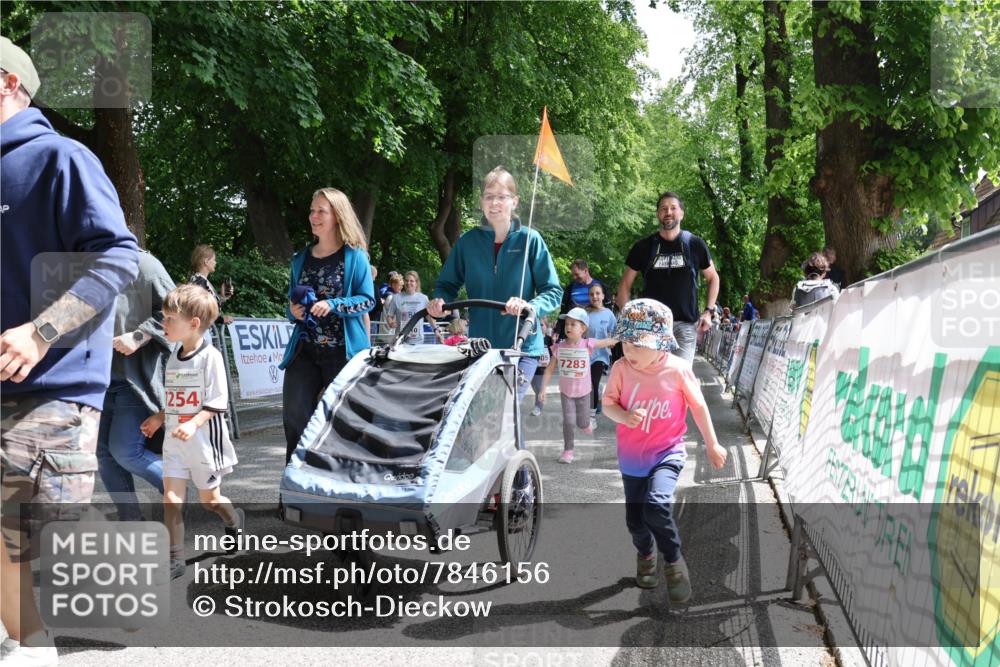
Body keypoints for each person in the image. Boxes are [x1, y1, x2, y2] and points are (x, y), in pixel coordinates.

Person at [0, 37, 139, 665]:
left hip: (49, 395)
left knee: (12, 543)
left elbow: (118, 257)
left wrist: (40, 331)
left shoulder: (60, 157)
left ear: (8, 83)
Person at [602, 299, 727, 603]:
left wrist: (712, 443)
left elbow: (698, 406)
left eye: (637, 344)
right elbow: (608, 405)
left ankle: (673, 561)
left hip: (667, 452)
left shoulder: (678, 370)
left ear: (660, 343)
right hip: (632, 459)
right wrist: (623, 416)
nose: (628, 350)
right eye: (626, 343)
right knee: (635, 521)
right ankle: (646, 555)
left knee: (656, 506)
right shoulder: (620, 368)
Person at [429, 166, 563, 403]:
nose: (494, 203)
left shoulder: (530, 240)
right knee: (481, 416)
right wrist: (440, 300)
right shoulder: (468, 243)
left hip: (522, 347)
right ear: (481, 202)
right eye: (489, 197)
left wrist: (528, 305)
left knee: (505, 413)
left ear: (515, 201)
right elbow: (446, 285)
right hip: (482, 347)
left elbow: (553, 292)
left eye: (502, 197)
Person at [139, 285, 243, 580]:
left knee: (210, 501)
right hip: (174, 443)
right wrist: (160, 417)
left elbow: (217, 402)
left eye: (170, 319)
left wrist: (193, 423)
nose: (164, 324)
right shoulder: (173, 356)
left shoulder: (211, 358)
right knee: (171, 499)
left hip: (201, 444)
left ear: (194, 324)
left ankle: (233, 519)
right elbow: (174, 398)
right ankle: (175, 559)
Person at [278, 188, 375, 463]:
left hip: (342, 354)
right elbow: (291, 302)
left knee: (345, 423)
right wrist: (292, 311)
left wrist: (334, 304)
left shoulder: (355, 257)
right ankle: (294, 491)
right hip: (304, 351)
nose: (314, 216)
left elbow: (367, 301)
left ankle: (342, 486)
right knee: (295, 419)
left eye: (321, 210)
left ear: (337, 216)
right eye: (312, 210)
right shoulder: (300, 259)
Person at [97, 250, 175, 522]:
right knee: (104, 455)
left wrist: (139, 335)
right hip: (100, 380)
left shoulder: (145, 265)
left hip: (135, 380)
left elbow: (176, 312)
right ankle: (132, 523)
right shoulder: (83, 265)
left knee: (125, 451)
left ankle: (175, 490)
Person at [616, 192, 720, 363]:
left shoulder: (695, 244)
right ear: (658, 214)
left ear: (681, 213)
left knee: (680, 378)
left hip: (686, 325)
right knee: (653, 379)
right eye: (664, 208)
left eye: (673, 208)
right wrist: (629, 319)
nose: (668, 212)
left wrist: (709, 312)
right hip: (652, 326)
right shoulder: (643, 247)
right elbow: (625, 285)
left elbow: (713, 278)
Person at [538, 308, 615, 464]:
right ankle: (568, 450)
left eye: (573, 324)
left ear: (583, 328)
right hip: (566, 392)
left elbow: (605, 342)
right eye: (567, 324)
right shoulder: (559, 347)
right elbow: (550, 368)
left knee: (582, 421)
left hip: (584, 392)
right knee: (569, 421)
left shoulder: (588, 344)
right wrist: (543, 389)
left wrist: (618, 339)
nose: (568, 327)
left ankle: (585, 424)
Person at [554, 258, 613, 340]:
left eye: (577, 274)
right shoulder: (570, 288)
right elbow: (564, 311)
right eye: (573, 275)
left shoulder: (601, 286)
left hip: (595, 332)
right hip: (575, 333)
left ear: (585, 271)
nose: (574, 277)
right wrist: (557, 330)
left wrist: (609, 332)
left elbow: (608, 309)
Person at [585, 283, 617, 430]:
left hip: (600, 356)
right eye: (592, 294)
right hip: (583, 354)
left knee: (592, 383)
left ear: (603, 296)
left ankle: (591, 417)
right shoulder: (584, 313)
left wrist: (612, 342)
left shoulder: (609, 314)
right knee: (586, 385)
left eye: (598, 293)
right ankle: (597, 393)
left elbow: (616, 333)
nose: (595, 297)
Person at [385, 271, 441, 344]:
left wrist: (435, 330)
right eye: (406, 281)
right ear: (404, 282)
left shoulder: (423, 298)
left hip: (417, 340)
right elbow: (389, 315)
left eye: (411, 281)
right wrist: (390, 322)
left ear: (416, 283)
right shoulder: (396, 298)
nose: (408, 283)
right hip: (400, 339)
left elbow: (429, 317)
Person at [188, 244, 234, 327]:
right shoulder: (199, 281)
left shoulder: (201, 280)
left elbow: (208, 306)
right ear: (206, 261)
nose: (216, 262)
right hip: (200, 332)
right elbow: (200, 310)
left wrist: (223, 297)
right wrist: (221, 319)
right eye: (214, 259)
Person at [529, 316, 554, 417]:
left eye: (542, 325)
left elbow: (552, 353)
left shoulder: (548, 339)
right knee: (535, 387)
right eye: (537, 325)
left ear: (546, 326)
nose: (540, 327)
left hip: (543, 368)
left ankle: (538, 407)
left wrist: (549, 363)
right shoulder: (532, 339)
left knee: (539, 388)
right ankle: (540, 398)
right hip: (533, 367)